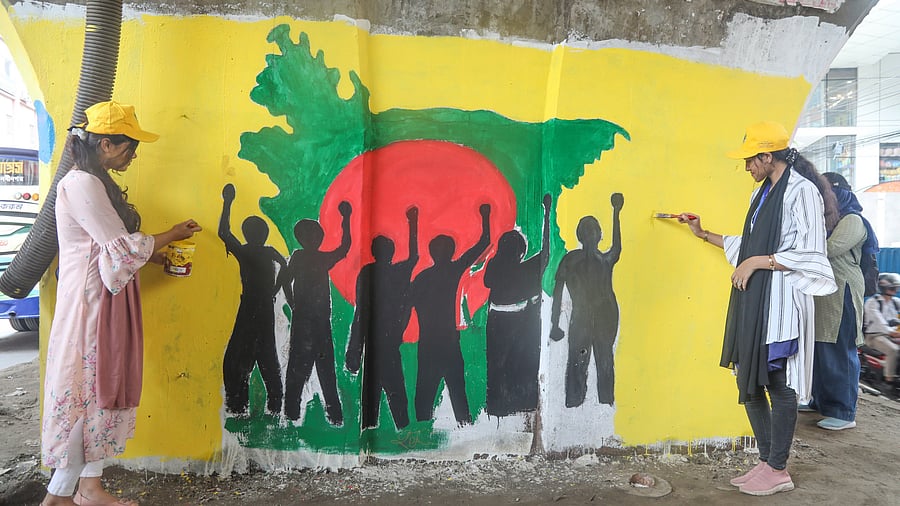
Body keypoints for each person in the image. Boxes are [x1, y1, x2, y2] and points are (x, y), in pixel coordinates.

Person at [41, 101, 202, 506]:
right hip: (89, 306)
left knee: (99, 392)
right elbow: (120, 249)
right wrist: (170, 234)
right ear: (108, 144)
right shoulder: (81, 184)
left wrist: (158, 255)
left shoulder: (93, 182)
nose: (134, 154)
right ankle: (59, 496)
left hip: (103, 299)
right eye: (130, 146)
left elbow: (110, 249)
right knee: (86, 394)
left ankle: (89, 488)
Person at [676, 121, 836, 497]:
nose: (747, 168)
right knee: (747, 379)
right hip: (754, 300)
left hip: (781, 301)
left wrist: (756, 262)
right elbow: (745, 245)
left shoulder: (802, 192)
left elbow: (811, 253)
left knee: (778, 384)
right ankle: (766, 461)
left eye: (750, 161)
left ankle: (778, 467)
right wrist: (703, 233)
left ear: (768, 156)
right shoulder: (762, 194)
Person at [410, 204, 491, 425]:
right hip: (449, 342)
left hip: (427, 344)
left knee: (424, 393)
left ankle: (420, 431)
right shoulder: (454, 270)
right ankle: (464, 425)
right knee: (457, 391)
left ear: (432, 252)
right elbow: (484, 242)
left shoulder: (422, 279)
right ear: (452, 252)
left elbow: (406, 305)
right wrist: (485, 215)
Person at [345, 206, 419, 430]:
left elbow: (360, 314)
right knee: (394, 392)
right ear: (390, 252)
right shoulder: (395, 272)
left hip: (375, 341)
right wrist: (413, 223)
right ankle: (401, 429)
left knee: (375, 394)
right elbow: (414, 256)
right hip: (389, 339)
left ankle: (378, 427)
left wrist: (354, 350)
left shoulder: (368, 272)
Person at [808, 173, 871, 430]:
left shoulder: (853, 220)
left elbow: (829, 249)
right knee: (821, 350)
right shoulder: (827, 221)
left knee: (839, 350)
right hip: (823, 295)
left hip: (842, 294)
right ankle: (821, 401)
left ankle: (844, 411)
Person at [219, 183, 288, 416]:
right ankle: (274, 405)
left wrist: (228, 202)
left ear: (247, 234)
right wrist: (275, 289)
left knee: (239, 358)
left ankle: (239, 406)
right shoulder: (269, 252)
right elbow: (286, 265)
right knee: (266, 355)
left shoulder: (246, 251)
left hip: (250, 307)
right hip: (265, 307)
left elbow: (224, 233)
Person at [550, 193, 624, 408]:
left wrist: (555, 324)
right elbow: (617, 246)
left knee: (580, 361)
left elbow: (557, 293)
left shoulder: (570, 261)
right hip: (604, 316)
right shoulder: (605, 260)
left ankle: (576, 401)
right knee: (603, 360)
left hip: (587, 318)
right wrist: (616, 211)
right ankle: (604, 401)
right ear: (600, 235)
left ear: (579, 236)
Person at [282, 203, 352, 425]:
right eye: (313, 235)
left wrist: (293, 303)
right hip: (314, 320)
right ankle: (331, 414)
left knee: (305, 367)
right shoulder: (305, 257)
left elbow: (285, 280)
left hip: (312, 320)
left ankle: (294, 412)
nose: (316, 239)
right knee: (316, 368)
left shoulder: (304, 257)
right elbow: (345, 247)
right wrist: (346, 217)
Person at [483, 194, 550, 417]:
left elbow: (487, 279)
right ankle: (520, 405)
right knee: (520, 365)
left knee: (498, 366)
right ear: (521, 252)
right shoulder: (521, 269)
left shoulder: (495, 268)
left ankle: (499, 406)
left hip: (498, 320)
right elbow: (546, 254)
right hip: (521, 321)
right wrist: (547, 215)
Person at [863, 273, 900, 385]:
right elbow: (880, 323)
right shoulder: (873, 303)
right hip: (874, 336)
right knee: (893, 350)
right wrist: (892, 332)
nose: (895, 290)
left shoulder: (895, 302)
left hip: (890, 335)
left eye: (896, 287)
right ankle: (889, 381)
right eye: (892, 287)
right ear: (884, 287)